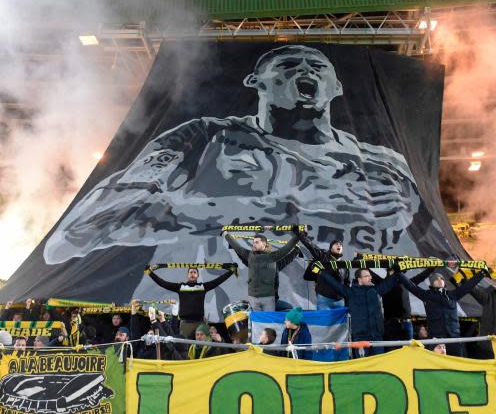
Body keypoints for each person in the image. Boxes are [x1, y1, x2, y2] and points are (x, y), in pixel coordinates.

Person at [43, 45, 452, 322]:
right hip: (215, 328)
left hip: (342, 331)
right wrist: (285, 204)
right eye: (288, 65)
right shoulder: (205, 137)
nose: (305, 71)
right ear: (255, 82)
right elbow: (73, 235)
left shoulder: (386, 165)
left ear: (336, 87)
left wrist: (414, 218)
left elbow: (439, 259)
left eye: (316, 66)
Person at [398, 269, 485, 357]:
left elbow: (468, 286)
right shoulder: (426, 295)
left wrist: (482, 274)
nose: (440, 281)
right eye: (436, 279)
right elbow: (411, 286)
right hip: (436, 340)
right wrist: (398, 272)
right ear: (431, 283)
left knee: (457, 364)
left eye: (442, 279)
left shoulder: (452, 295)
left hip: (454, 338)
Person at [321, 267, 399, 358]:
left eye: (370, 275)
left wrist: (397, 270)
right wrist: (322, 272)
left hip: (377, 337)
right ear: (359, 279)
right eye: (367, 276)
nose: (370, 278)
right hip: (360, 338)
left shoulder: (375, 290)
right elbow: (334, 284)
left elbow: (389, 282)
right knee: (363, 365)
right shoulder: (350, 292)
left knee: (379, 364)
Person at [147, 264, 236, 338]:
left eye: (194, 272)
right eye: (190, 272)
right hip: (185, 324)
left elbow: (218, 281)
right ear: (187, 275)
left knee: (203, 346)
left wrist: (231, 271)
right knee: (184, 347)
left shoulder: (203, 287)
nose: (192, 274)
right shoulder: (180, 287)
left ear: (197, 275)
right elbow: (163, 283)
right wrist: (150, 273)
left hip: (200, 323)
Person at [222, 230, 299, 311]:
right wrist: (227, 237)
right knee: (258, 321)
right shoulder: (251, 257)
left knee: (268, 320)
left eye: (256, 242)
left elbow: (287, 250)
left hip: (268, 298)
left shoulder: (272, 257)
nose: (254, 244)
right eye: (253, 242)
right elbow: (239, 250)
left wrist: (298, 242)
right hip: (255, 298)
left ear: (264, 244)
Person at [298, 230, 349, 310]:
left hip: (340, 301)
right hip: (324, 299)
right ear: (330, 247)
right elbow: (311, 246)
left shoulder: (345, 264)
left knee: (340, 323)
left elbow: (346, 284)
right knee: (324, 322)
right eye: (336, 244)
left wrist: (347, 302)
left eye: (341, 245)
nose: (339, 245)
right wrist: (301, 234)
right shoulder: (323, 256)